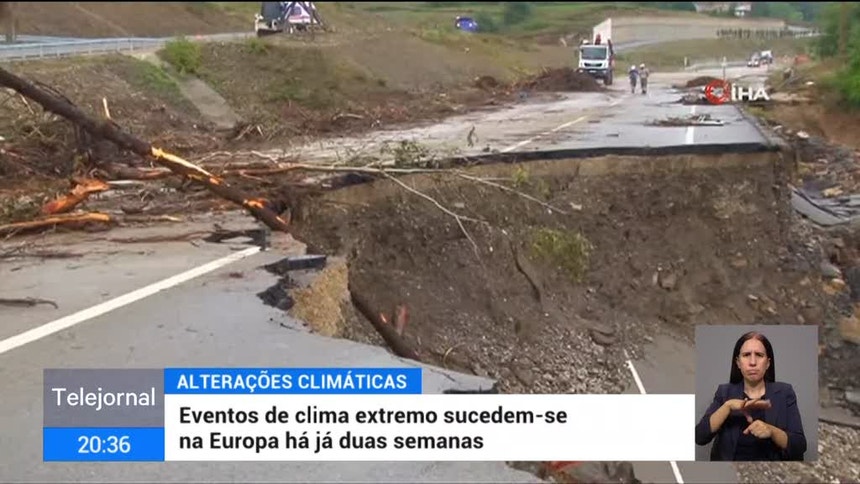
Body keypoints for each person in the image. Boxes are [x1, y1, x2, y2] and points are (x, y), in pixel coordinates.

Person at [695, 331, 807, 461]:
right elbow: (700, 437)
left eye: (759, 355)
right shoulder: (724, 392)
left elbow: (799, 446)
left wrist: (771, 431)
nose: (753, 362)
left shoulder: (785, 392)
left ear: (768, 363)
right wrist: (727, 406)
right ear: (738, 363)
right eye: (746, 355)